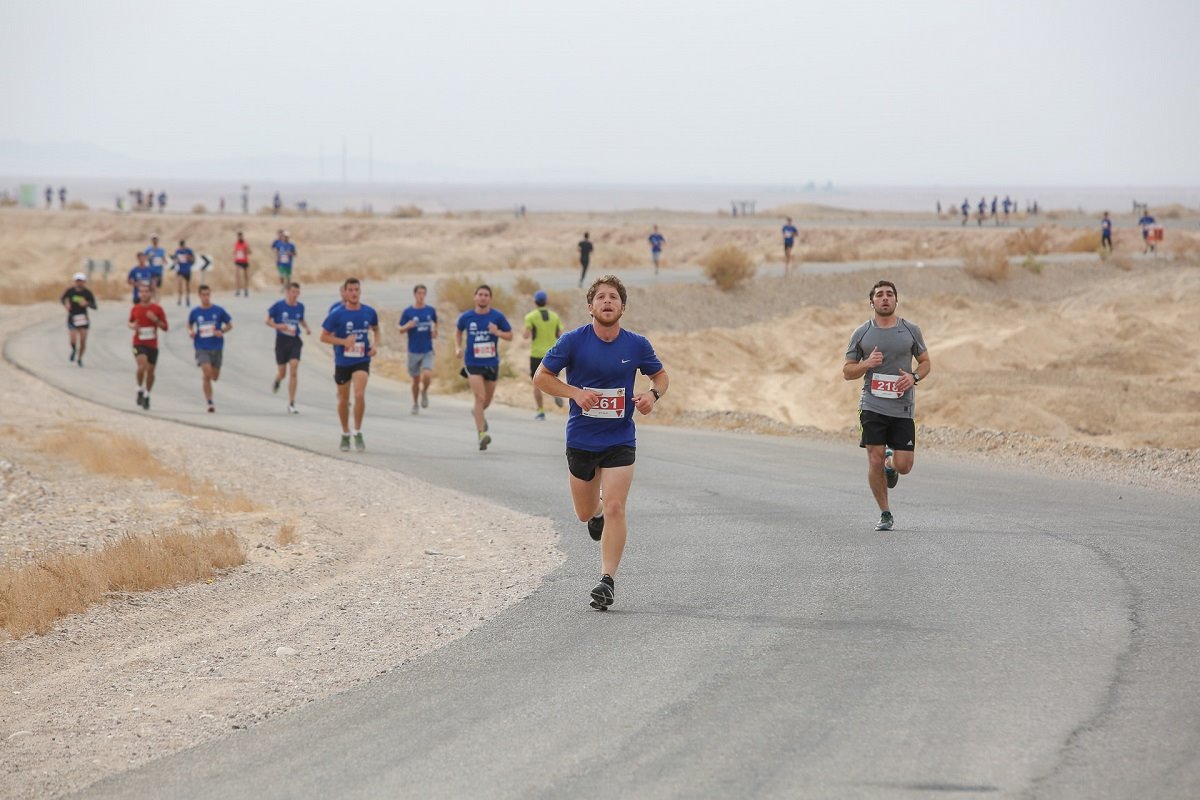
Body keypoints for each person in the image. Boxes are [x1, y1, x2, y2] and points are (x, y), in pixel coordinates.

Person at [533, 275, 668, 610]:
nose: (608, 302)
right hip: (581, 439)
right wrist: (575, 393)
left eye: (614, 297)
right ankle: (596, 513)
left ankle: (606, 581)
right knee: (585, 513)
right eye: (601, 297)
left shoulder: (637, 344)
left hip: (620, 438)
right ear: (591, 307)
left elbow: (661, 377)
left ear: (622, 307)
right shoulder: (572, 341)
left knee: (616, 506)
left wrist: (652, 395)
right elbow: (541, 378)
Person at [842, 280, 931, 532]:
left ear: (895, 300)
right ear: (872, 302)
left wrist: (913, 377)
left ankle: (891, 465)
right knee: (874, 458)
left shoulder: (911, 330)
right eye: (879, 295)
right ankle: (885, 512)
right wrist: (866, 364)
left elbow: (925, 362)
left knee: (904, 466)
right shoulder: (861, 333)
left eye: (889, 294)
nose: (884, 298)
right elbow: (847, 372)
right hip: (871, 405)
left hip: (902, 407)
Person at [320, 278, 379, 452]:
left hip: (361, 360)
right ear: (345, 293)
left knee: (359, 394)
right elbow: (323, 336)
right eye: (350, 290)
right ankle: (345, 433)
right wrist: (343, 341)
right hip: (342, 361)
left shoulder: (369, 312)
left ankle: (357, 431)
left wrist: (375, 345)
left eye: (356, 290)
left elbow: (376, 329)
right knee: (344, 400)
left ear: (360, 292)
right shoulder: (337, 314)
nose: (354, 293)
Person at [455, 285, 513, 450]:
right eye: (480, 294)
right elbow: (458, 332)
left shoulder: (497, 316)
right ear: (475, 297)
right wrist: (457, 348)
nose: (483, 297)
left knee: (486, 401)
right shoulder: (466, 317)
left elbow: (510, 336)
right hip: (473, 363)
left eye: (486, 295)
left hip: (491, 363)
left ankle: (477, 412)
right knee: (479, 397)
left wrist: (497, 332)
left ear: (490, 298)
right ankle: (481, 434)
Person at [266, 282, 311, 414]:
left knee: (294, 368)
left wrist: (306, 328)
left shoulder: (300, 307)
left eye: (297, 293)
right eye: (293, 292)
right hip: (281, 341)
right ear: (287, 292)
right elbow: (267, 320)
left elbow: (301, 319)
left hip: (294, 341)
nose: (295, 295)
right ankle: (278, 380)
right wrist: (278, 326)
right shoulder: (278, 306)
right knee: (283, 372)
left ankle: (291, 402)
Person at [187, 285, 233, 412]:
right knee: (206, 373)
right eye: (203, 295)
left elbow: (229, 325)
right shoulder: (195, 312)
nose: (206, 297)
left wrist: (222, 331)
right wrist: (190, 332)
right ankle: (209, 402)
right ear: (199, 296)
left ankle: (209, 384)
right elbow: (189, 324)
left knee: (214, 376)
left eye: (208, 294)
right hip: (201, 346)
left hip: (217, 346)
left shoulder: (218, 310)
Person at [398, 283, 438, 415]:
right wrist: (408, 326)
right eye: (419, 293)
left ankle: (424, 391)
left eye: (423, 293)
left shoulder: (430, 311)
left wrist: (435, 331)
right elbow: (400, 329)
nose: (421, 296)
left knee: (427, 374)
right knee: (415, 380)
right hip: (413, 351)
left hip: (427, 349)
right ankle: (415, 403)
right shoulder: (408, 312)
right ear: (414, 295)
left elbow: (435, 323)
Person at [523, 290, 562, 420]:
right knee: (552, 379)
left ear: (535, 302)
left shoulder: (530, 317)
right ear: (546, 302)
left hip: (536, 354)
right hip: (552, 354)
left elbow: (526, 335)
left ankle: (540, 411)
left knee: (537, 383)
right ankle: (556, 393)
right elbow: (560, 334)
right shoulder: (555, 316)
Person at [128, 286, 169, 410]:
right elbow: (130, 322)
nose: (144, 294)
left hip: (152, 345)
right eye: (142, 292)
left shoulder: (157, 309)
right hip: (138, 343)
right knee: (142, 366)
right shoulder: (135, 308)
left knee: (150, 372)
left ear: (151, 294)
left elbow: (165, 327)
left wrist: (155, 319)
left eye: (147, 291)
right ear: (139, 294)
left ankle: (147, 395)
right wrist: (133, 326)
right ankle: (139, 388)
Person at [62, 272, 97, 367]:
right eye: (78, 281)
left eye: (81, 281)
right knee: (73, 339)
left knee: (82, 341)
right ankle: (74, 349)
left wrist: (87, 304)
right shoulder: (70, 291)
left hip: (83, 318)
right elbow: (63, 299)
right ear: (75, 281)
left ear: (84, 282)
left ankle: (80, 358)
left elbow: (95, 306)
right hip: (72, 317)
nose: (79, 283)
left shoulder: (87, 293)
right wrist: (66, 304)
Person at [173, 239, 196, 306]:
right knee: (180, 284)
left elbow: (193, 260)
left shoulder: (189, 251)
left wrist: (189, 258)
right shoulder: (177, 251)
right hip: (180, 270)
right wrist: (176, 261)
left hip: (187, 269)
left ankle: (187, 298)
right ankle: (179, 299)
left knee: (187, 285)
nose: (182, 247)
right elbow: (175, 260)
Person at [233, 232, 251, 296]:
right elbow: (234, 251)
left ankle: (246, 289)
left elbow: (249, 252)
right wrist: (235, 253)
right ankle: (238, 290)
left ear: (242, 236)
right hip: (238, 261)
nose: (239, 238)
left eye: (240, 236)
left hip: (245, 261)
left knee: (245, 276)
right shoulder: (236, 244)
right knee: (237, 275)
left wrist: (246, 251)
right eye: (238, 236)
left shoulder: (245, 244)